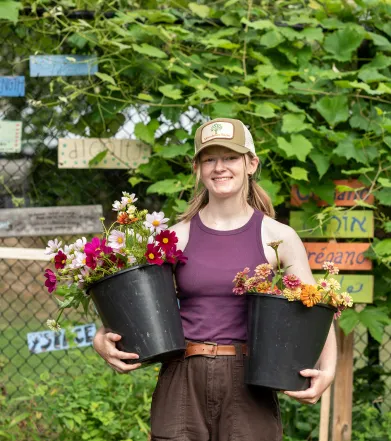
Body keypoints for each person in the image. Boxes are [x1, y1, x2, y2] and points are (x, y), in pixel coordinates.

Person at [93, 117, 337, 441]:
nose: (220, 167)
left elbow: (315, 309)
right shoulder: (172, 239)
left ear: (251, 163)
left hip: (250, 381)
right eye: (210, 158)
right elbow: (131, 301)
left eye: (231, 157)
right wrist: (101, 339)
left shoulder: (277, 237)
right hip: (182, 378)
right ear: (198, 168)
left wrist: (328, 370)